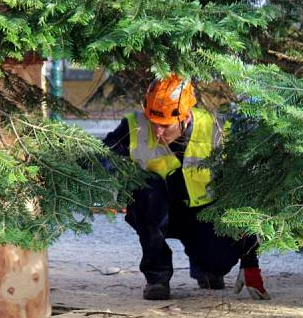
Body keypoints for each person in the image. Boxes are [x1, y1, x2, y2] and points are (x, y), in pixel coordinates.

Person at [104, 74, 269, 300]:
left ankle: (205, 267)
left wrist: (250, 261)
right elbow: (103, 156)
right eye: (153, 122)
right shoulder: (134, 125)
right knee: (146, 189)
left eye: (165, 125)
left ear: (185, 117)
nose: (157, 131)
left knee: (217, 264)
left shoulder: (214, 129)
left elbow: (240, 193)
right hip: (155, 210)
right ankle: (157, 277)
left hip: (201, 215)